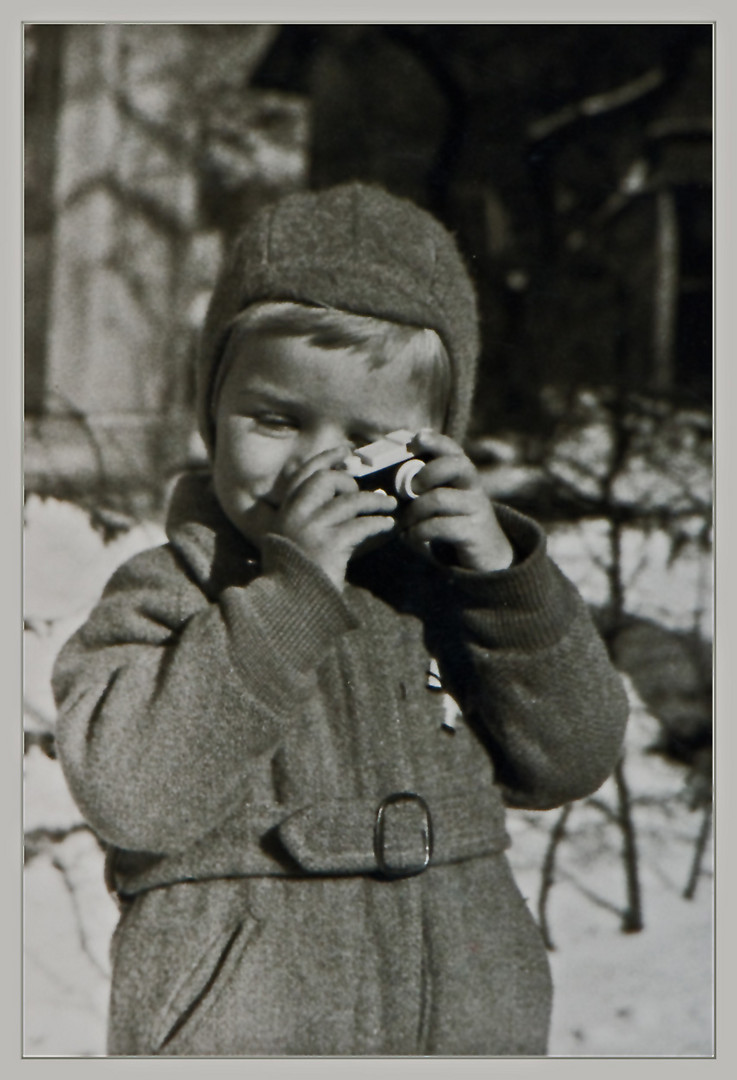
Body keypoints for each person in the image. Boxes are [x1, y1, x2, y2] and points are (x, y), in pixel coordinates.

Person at [52, 181, 629, 1057]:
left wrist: (503, 583)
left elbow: (574, 755)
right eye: (276, 419)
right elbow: (130, 794)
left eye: (364, 438)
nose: (316, 466)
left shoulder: (449, 598)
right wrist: (289, 603)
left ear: (434, 444)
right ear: (212, 411)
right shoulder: (170, 593)